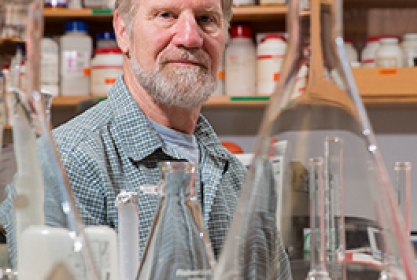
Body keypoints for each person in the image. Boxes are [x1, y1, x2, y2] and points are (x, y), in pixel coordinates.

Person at [0, 0, 290, 276]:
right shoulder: (65, 166)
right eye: (166, 15)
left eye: (206, 19)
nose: (190, 37)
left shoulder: (237, 179)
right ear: (123, 31)